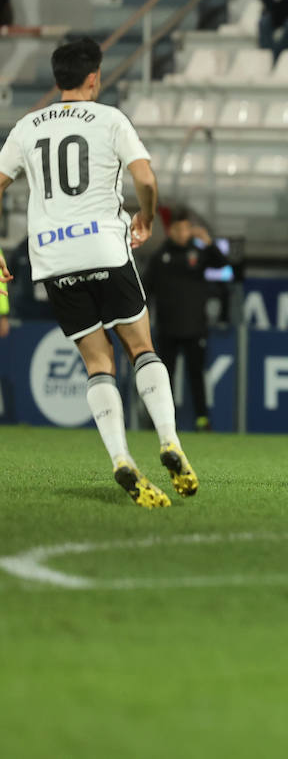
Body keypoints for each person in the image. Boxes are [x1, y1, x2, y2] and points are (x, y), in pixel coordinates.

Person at [0, 37, 198, 508]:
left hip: (52, 259)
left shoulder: (27, 127)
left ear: (57, 79)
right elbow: (146, 179)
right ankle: (170, 441)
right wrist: (146, 217)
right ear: (94, 78)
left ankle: (120, 457)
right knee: (141, 348)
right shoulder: (110, 119)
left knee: (97, 363)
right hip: (104, 248)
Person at [141, 207, 229, 431]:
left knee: (196, 375)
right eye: (178, 229)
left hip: (195, 328)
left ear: (191, 230)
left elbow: (223, 265)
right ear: (171, 231)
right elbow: (146, 290)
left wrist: (208, 243)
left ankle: (202, 419)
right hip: (167, 328)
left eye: (187, 229)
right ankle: (162, 421)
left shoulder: (199, 253)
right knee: (164, 377)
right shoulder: (160, 257)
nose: (183, 233)